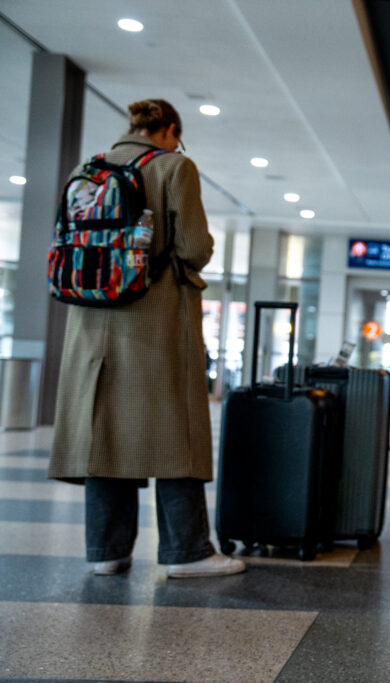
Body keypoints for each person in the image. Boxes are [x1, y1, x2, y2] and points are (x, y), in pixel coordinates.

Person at [48, 98, 245, 578]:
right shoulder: (174, 166)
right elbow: (195, 248)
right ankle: (189, 552)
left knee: (105, 431)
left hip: (91, 322)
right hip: (153, 318)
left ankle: (106, 552)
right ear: (169, 129)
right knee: (175, 429)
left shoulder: (87, 169)